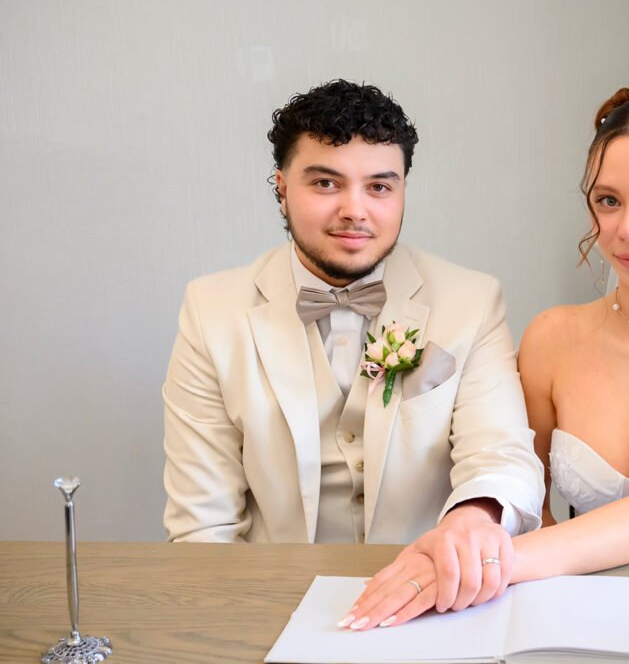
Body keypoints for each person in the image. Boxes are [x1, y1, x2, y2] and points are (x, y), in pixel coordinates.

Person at [342, 70, 629, 630]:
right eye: (608, 200)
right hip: (579, 612)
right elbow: (523, 493)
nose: (626, 228)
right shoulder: (552, 337)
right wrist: (467, 541)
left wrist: (485, 562)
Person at [162, 79, 545, 584]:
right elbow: (203, 522)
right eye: (325, 183)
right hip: (271, 593)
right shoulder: (211, 311)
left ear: (403, 189)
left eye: (379, 186)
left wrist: (472, 520)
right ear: (281, 188)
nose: (355, 210)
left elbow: (500, 453)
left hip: (430, 588)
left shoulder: (472, 301)